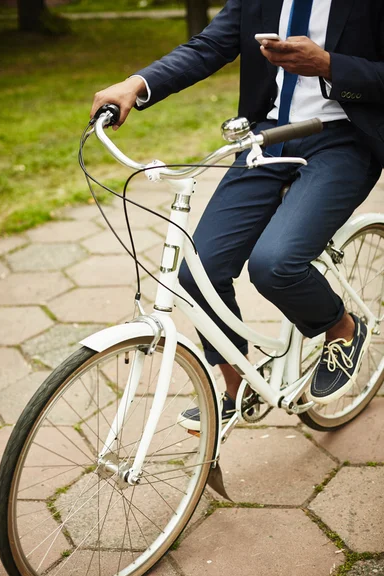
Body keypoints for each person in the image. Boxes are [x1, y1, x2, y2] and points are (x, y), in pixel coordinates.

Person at [91, 0, 384, 429]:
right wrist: (137, 83)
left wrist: (329, 65)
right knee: (197, 273)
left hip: (344, 140)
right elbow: (210, 45)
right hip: (266, 139)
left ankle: (341, 328)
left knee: (275, 264)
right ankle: (235, 387)